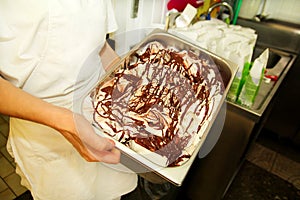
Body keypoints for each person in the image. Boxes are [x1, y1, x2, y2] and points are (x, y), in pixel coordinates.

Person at [0, 0, 137, 199]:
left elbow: (97, 45)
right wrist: (65, 121)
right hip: (46, 133)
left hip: (103, 120)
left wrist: (127, 79)